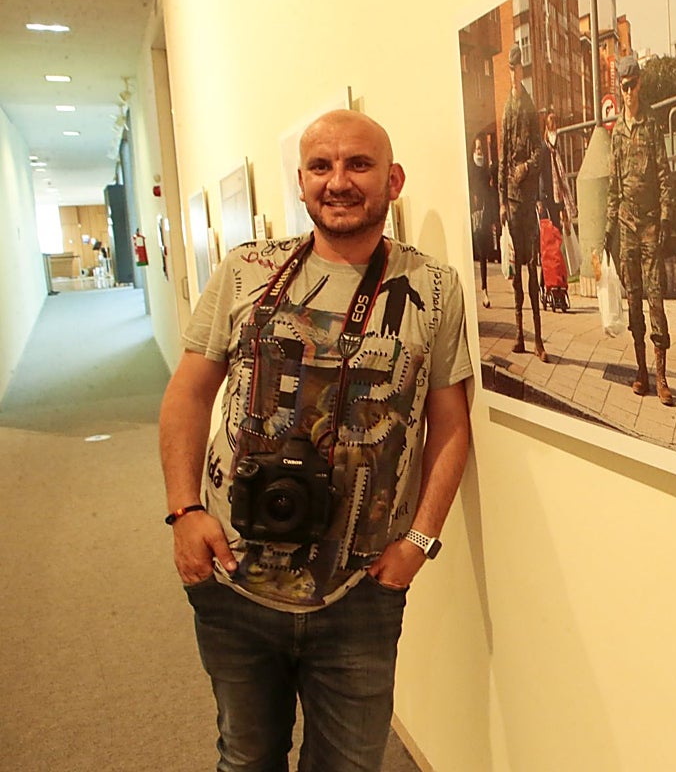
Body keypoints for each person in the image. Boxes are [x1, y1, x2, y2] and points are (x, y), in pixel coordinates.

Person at [159, 109, 473, 771]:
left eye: (358, 164)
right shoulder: (245, 271)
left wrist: (418, 543)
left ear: (394, 179)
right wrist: (184, 512)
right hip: (235, 574)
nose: (338, 181)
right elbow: (187, 393)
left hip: (358, 589)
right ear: (300, 184)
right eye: (320, 167)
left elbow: (451, 423)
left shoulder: (434, 289)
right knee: (246, 758)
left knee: (351, 766)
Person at [606, 55, 674, 405]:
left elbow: (664, 174)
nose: (627, 92)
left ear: (640, 83)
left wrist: (664, 217)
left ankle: (662, 375)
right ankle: (642, 371)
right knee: (633, 299)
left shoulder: (651, 125)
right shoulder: (617, 131)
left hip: (649, 225)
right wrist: (607, 231)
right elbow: (613, 186)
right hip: (626, 228)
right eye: (622, 86)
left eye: (632, 85)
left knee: (655, 298)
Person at [498, 43, 547, 361]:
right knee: (516, 271)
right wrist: (501, 200)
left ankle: (539, 339)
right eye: (510, 69)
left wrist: (526, 168)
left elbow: (540, 151)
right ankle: (520, 335)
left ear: (521, 70)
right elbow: (502, 156)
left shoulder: (528, 105)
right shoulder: (506, 108)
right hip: (512, 202)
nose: (514, 73)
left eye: (516, 68)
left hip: (528, 200)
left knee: (532, 271)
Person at [468, 133, 498, 307]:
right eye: (477, 148)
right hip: (474, 216)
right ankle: (481, 289)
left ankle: (485, 289)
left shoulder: (486, 170)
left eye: (481, 149)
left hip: (485, 216)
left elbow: (491, 192)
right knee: (479, 252)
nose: (480, 151)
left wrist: (493, 216)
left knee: (485, 254)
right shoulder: (471, 170)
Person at [539, 108, 578, 233]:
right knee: (554, 228)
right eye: (552, 128)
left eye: (555, 128)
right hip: (549, 194)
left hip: (559, 191)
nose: (554, 132)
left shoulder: (556, 148)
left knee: (560, 226)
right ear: (547, 129)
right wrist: (542, 195)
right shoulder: (544, 148)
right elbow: (541, 173)